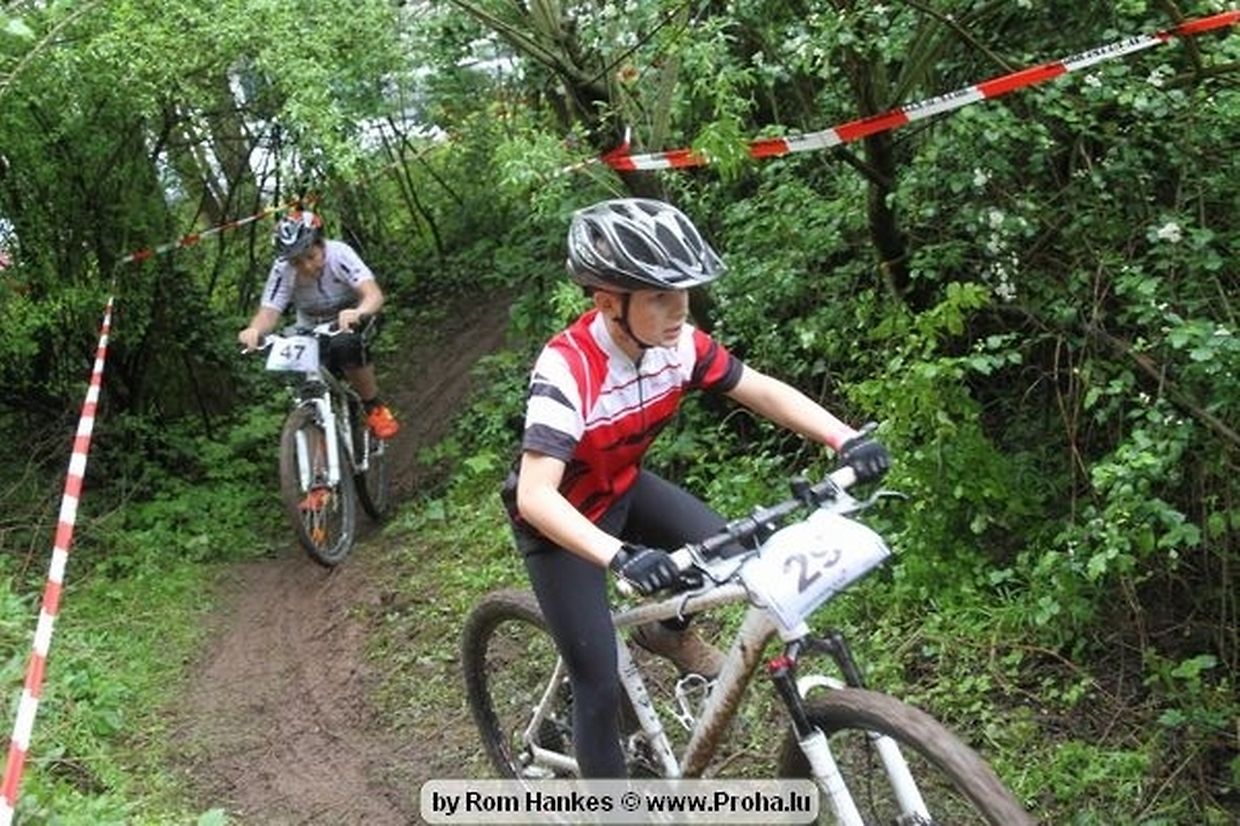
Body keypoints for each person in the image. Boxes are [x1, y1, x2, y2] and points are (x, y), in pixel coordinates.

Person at [503, 197, 891, 778]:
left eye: (683, 292)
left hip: (624, 488)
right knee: (598, 681)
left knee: (727, 554)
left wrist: (844, 438)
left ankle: (665, 633)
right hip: (562, 523)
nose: (680, 309)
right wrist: (620, 556)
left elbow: (758, 388)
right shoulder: (567, 369)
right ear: (608, 302)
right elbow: (536, 495)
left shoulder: (676, 344)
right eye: (660, 296)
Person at [238, 209, 400, 440]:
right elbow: (269, 312)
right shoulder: (283, 269)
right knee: (299, 372)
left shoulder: (339, 254)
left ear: (321, 244)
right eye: (296, 262)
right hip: (310, 325)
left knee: (346, 344)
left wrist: (359, 312)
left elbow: (373, 294)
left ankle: (373, 407)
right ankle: (315, 432)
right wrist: (254, 330)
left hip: (352, 316)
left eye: (311, 256)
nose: (305, 266)